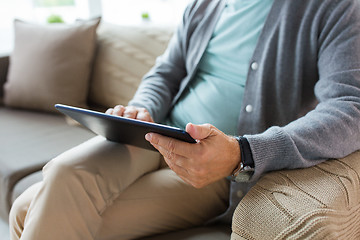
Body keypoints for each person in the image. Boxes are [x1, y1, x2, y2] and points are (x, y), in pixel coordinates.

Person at [9, 0, 360, 239]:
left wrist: (244, 152)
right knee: (63, 172)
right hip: (155, 135)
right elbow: (167, 70)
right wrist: (141, 108)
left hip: (220, 169)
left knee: (28, 210)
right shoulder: (205, 4)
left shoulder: (334, 8)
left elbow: (350, 107)